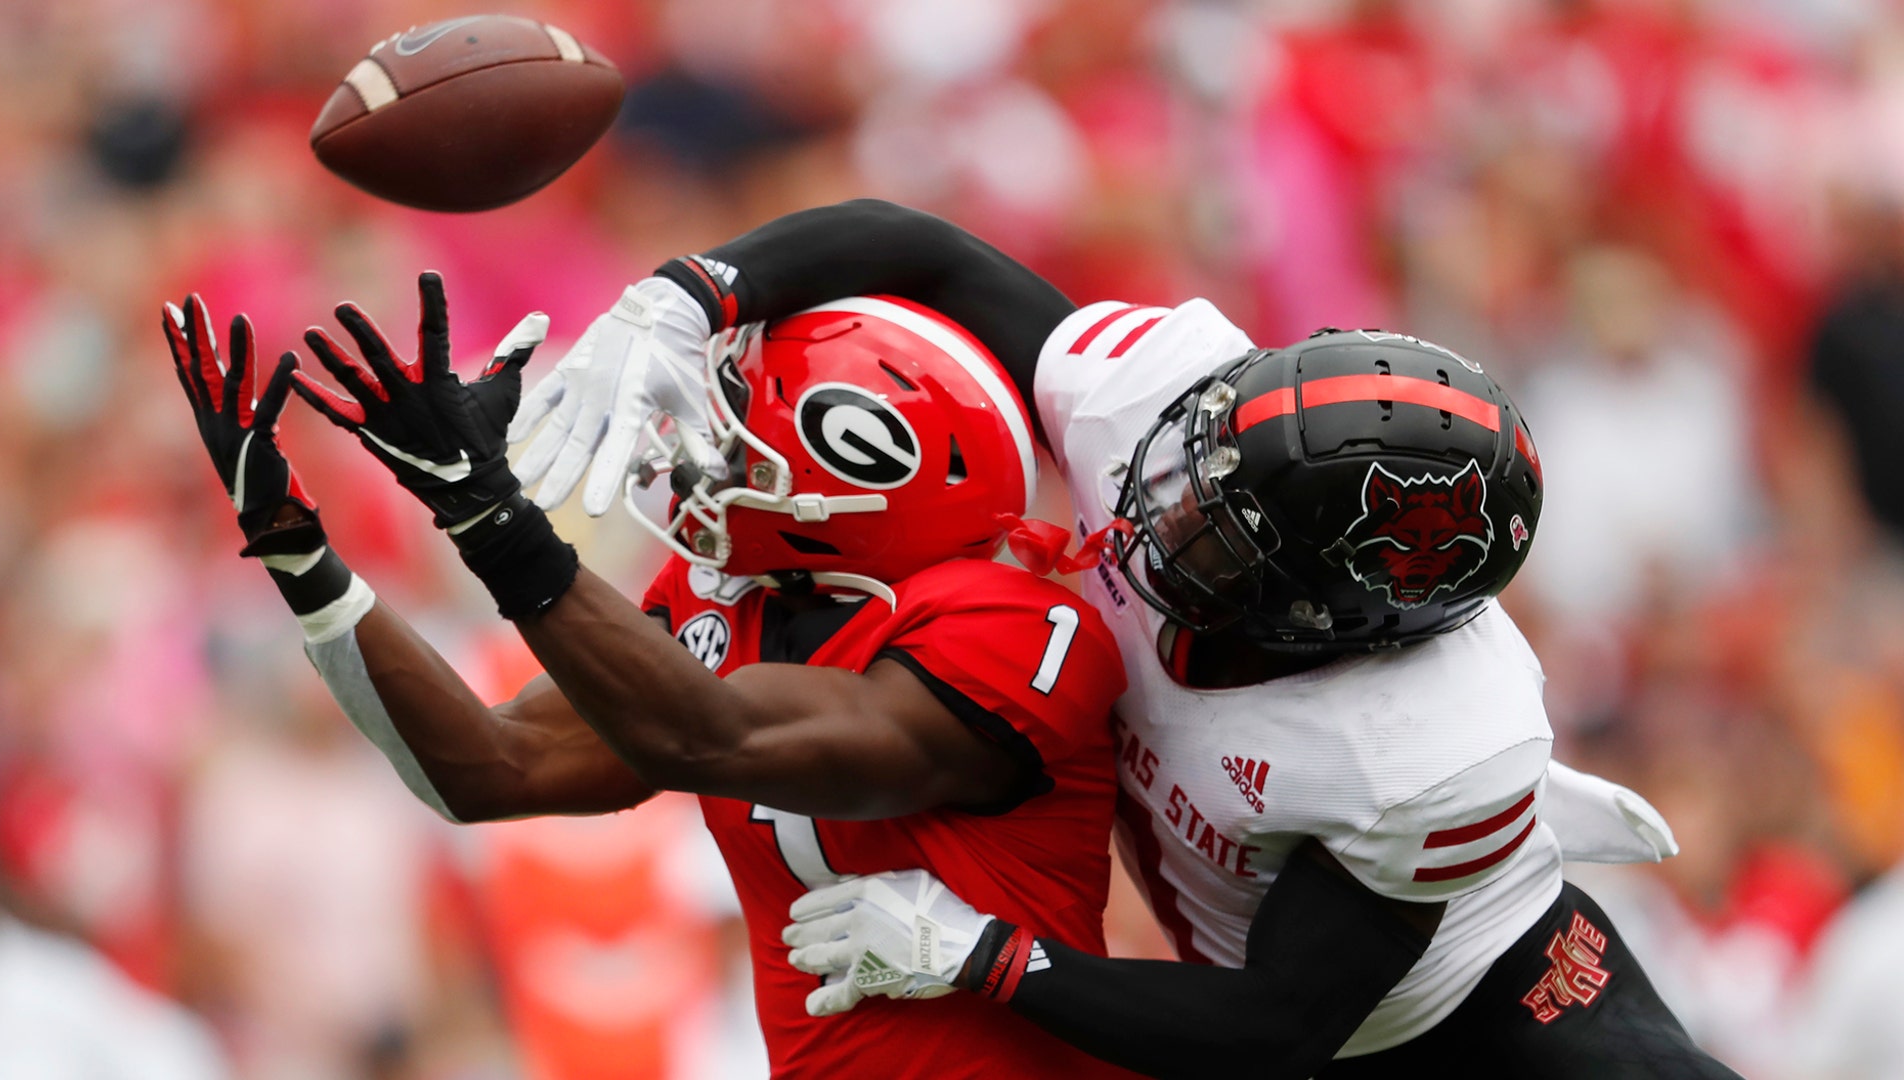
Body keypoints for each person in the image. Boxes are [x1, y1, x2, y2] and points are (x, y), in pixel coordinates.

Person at [514, 199, 1735, 1078]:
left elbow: (1276, 1032)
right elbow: (916, 245)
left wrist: (985, 957)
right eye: (1195, 470)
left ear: (1343, 625)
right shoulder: (1155, 402)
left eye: (1221, 534)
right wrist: (697, 291)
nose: (1156, 513)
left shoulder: (1413, 748)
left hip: (1458, 1016)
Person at [159, 278, 1134, 1080]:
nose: (701, 456)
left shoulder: (1014, 626)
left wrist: (487, 514)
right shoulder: (729, 600)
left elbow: (713, 737)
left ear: (868, 464)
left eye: (744, 423)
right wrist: (298, 552)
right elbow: (492, 766)